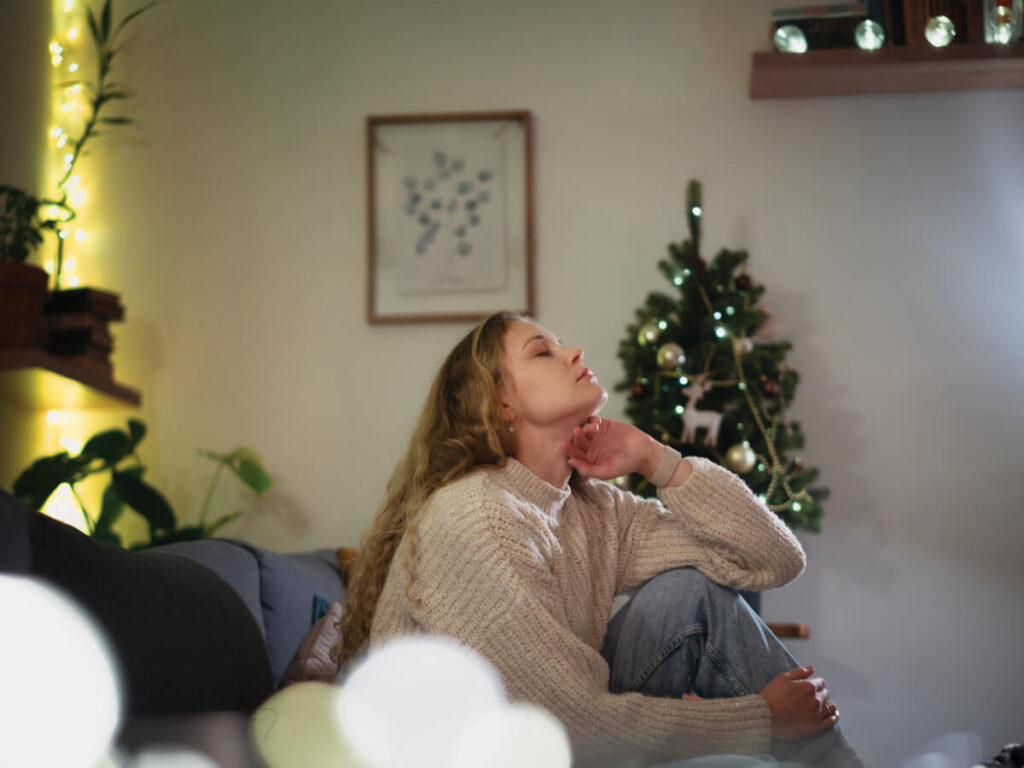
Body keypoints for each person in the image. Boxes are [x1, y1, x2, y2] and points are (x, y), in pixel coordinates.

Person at [333, 311, 862, 768]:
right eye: (542, 351)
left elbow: (775, 559)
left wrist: (656, 458)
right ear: (501, 404)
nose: (573, 351)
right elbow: (561, 725)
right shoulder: (475, 514)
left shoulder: (593, 508)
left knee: (685, 595)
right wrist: (761, 721)